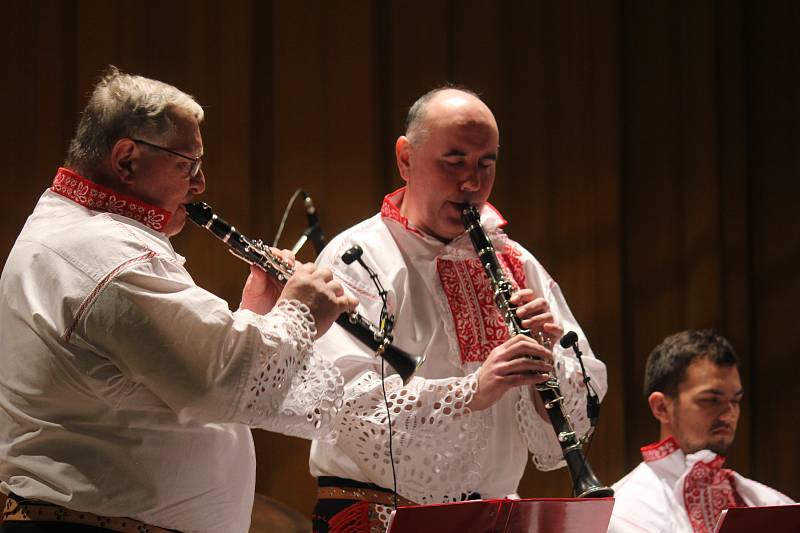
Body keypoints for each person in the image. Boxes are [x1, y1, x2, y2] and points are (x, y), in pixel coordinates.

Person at [0, 67, 356, 533]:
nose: (200, 184)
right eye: (187, 165)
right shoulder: (104, 253)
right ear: (126, 159)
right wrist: (301, 311)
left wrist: (257, 312)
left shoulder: (77, 229)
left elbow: (174, 376)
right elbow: (219, 384)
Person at [308, 87, 608, 532]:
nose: (472, 183)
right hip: (380, 514)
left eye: (486, 163)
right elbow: (344, 404)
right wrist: (472, 391)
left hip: (496, 516)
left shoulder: (516, 262)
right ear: (406, 158)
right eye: (455, 161)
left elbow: (586, 395)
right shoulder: (357, 257)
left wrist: (550, 366)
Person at [608, 329, 794, 533]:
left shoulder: (765, 503)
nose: (729, 414)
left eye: (735, 401)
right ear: (661, 407)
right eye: (711, 400)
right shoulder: (620, 513)